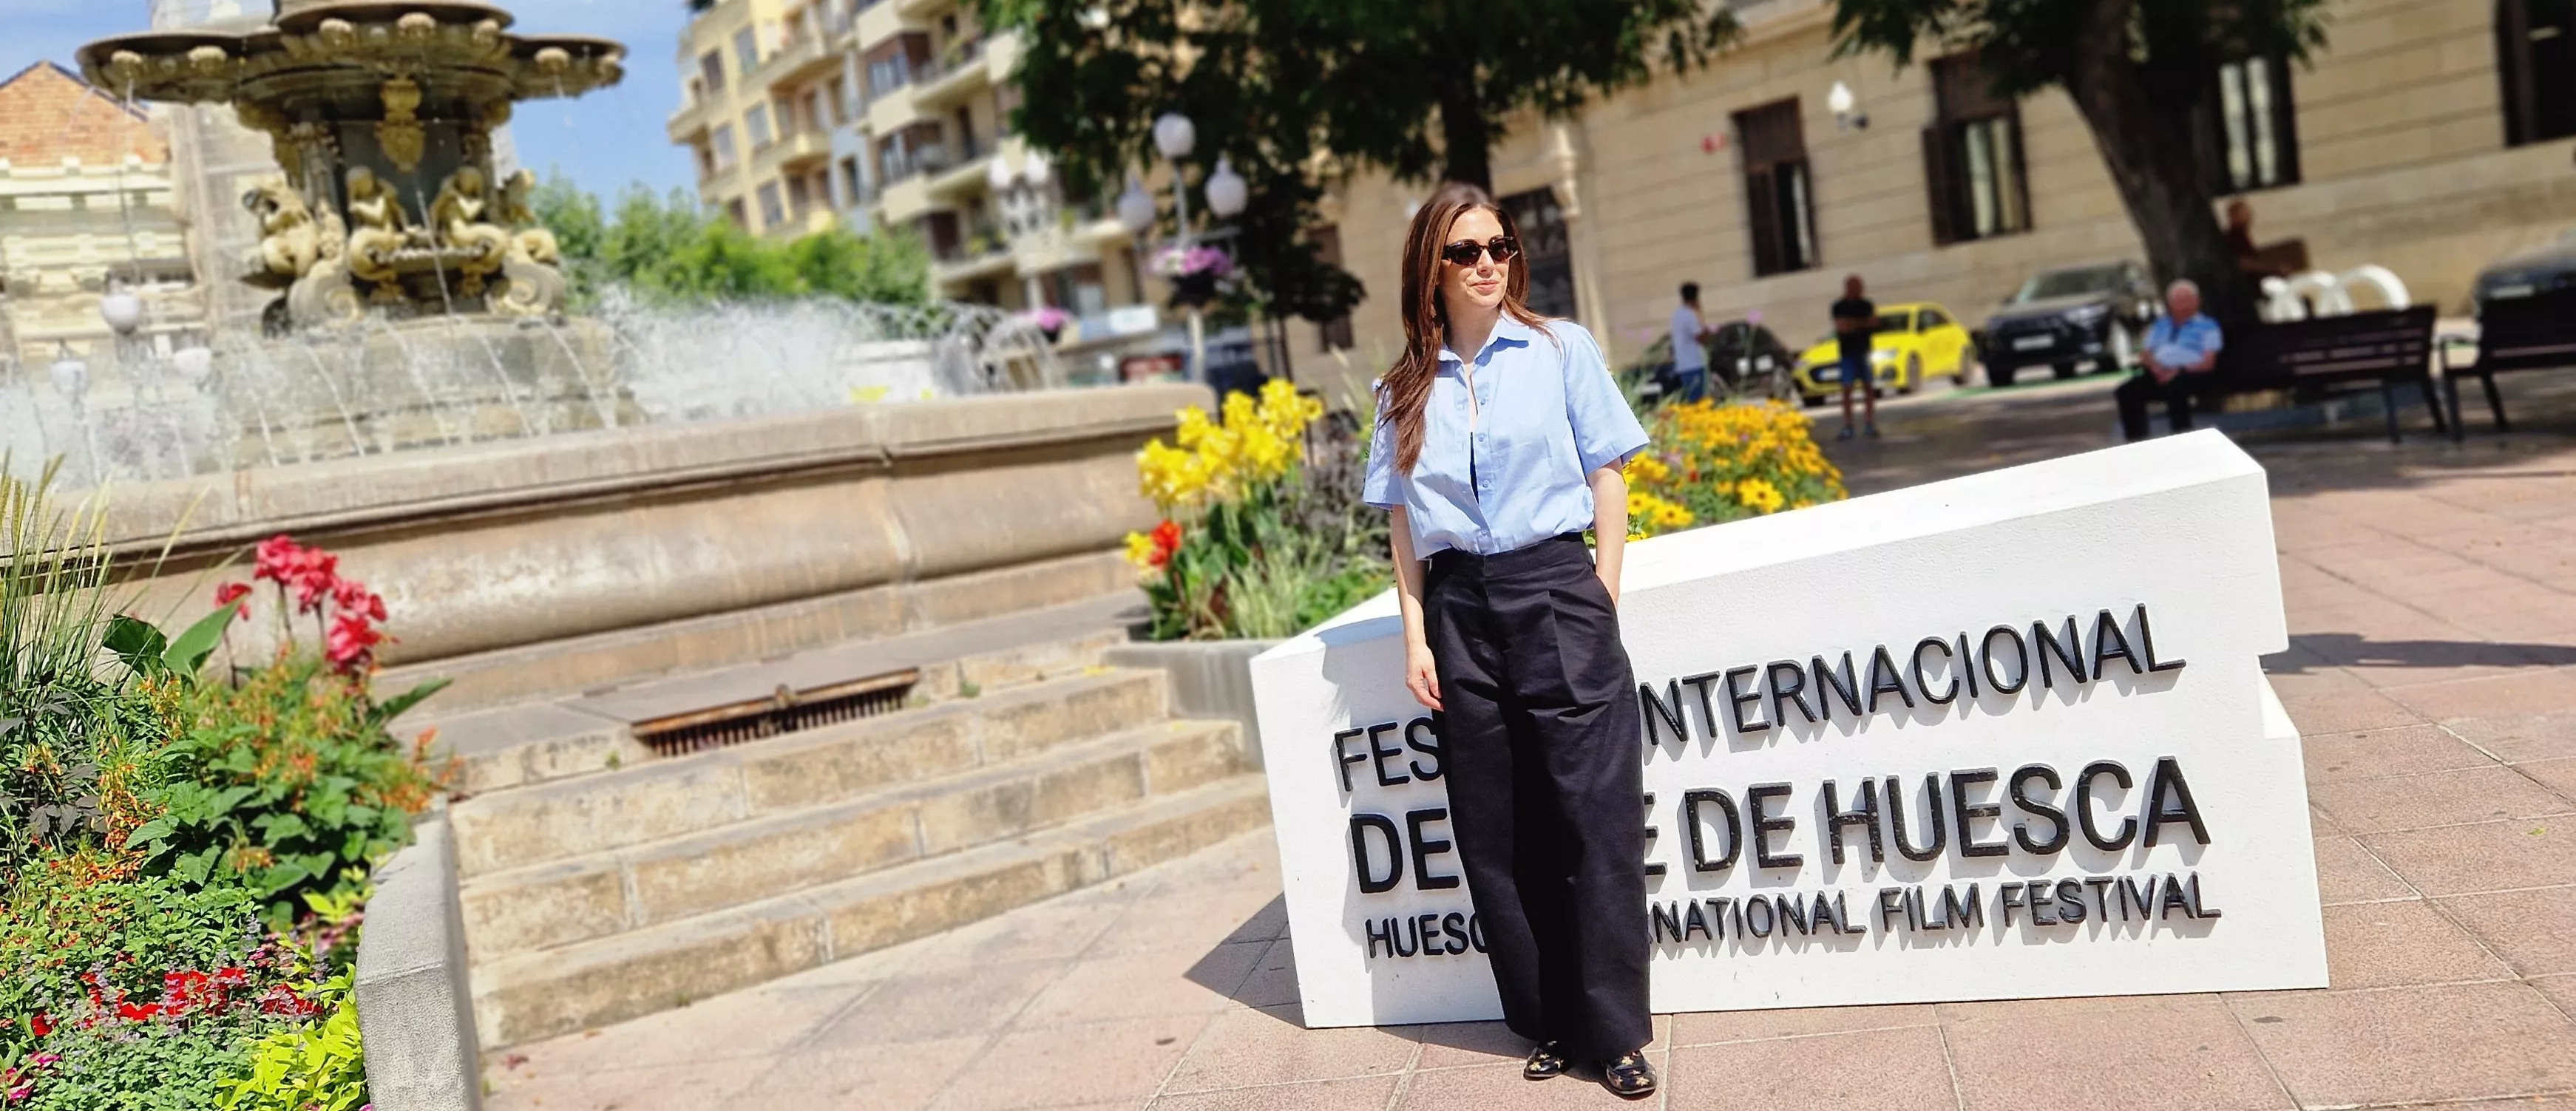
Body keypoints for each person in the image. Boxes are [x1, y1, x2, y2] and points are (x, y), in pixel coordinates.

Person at [1363, 184, 1658, 1100]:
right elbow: (1405, 526)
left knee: (1591, 819)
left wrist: (1600, 591)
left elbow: (1606, 472)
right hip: (1460, 611)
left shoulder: (1562, 349)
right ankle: (1548, 1022)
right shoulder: (1402, 386)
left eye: (1499, 246)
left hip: (1555, 587)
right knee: (1498, 832)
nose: (1488, 262)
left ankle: (1613, 1035)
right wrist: (1416, 634)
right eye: (1465, 251)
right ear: (1431, 270)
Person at [2114, 279, 2226, 441]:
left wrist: (2179, 370)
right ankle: (2136, 440)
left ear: (2197, 301)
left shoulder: (2208, 326)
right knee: (2127, 391)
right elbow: (2146, 354)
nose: (2182, 305)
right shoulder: (2161, 325)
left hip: (2192, 373)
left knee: (2177, 387)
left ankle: (2181, 437)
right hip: (2158, 372)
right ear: (2170, 303)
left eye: (2187, 300)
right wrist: (2156, 368)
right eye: (2178, 301)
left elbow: (2208, 362)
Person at [1830, 275, 1880, 439]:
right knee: (1847, 389)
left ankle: (1869, 423)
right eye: (1857, 286)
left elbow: (1875, 323)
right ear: (1849, 288)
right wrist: (1862, 323)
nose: (1860, 289)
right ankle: (1848, 425)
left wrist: (1853, 324)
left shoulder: (1866, 305)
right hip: (1847, 353)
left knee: (1869, 388)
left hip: (1864, 351)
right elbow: (1841, 327)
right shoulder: (1839, 306)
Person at [1669, 282, 1711, 402]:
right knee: (1699, 402)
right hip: (1695, 364)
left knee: (1691, 400)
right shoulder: (1690, 315)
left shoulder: (1677, 315)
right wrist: (1701, 317)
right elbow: (1700, 337)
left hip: (1683, 365)